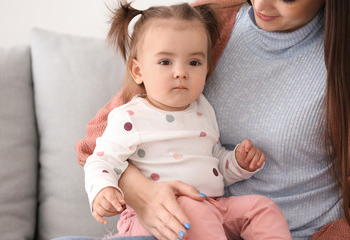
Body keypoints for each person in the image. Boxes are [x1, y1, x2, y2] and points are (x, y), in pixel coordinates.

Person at [76, 0, 350, 239]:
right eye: (166, 63)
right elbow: (95, 147)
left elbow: (214, 157)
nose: (261, 5)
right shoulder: (203, 21)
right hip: (178, 215)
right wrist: (137, 193)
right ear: (138, 70)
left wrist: (238, 163)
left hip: (227, 212)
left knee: (262, 208)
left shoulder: (201, 109)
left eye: (195, 63)